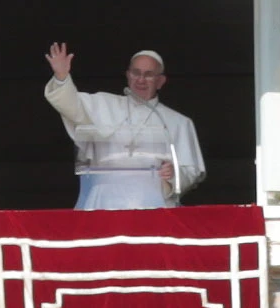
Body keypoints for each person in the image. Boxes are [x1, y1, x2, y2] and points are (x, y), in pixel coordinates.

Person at [44, 42, 206, 210]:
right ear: (128, 75)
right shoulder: (104, 104)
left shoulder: (177, 122)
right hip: (104, 202)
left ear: (160, 81)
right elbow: (71, 105)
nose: (141, 79)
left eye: (149, 74)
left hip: (152, 203)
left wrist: (174, 175)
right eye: (136, 73)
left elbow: (191, 170)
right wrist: (61, 77)